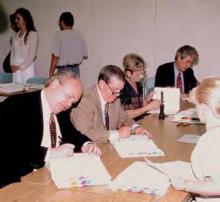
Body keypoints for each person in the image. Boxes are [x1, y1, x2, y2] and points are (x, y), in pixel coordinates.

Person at [0, 71, 101, 188]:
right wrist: (50, 153)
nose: (69, 104)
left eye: (73, 102)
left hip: (52, 175)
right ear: (55, 84)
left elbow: (70, 132)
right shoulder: (17, 105)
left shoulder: (60, 108)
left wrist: (86, 144)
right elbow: (13, 147)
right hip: (21, 180)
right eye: (69, 97)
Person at [70, 65, 149, 143]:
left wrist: (136, 128)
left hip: (109, 147)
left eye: (120, 91)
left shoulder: (114, 97)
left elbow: (124, 118)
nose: (118, 95)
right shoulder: (84, 101)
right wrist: (116, 134)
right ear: (102, 84)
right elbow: (84, 133)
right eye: (115, 90)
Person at [171, 77, 220, 201]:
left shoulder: (211, 139)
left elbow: (217, 185)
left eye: (196, 106)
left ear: (203, 109)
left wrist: (185, 185)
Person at [120, 53, 160, 121]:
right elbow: (126, 115)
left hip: (141, 121)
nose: (142, 76)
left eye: (143, 72)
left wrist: (148, 99)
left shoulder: (138, 83)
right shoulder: (121, 87)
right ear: (129, 73)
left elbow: (141, 106)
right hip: (129, 125)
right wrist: (149, 106)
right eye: (139, 74)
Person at [49, 12, 88, 77]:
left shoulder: (59, 35)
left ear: (62, 22)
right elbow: (85, 55)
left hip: (63, 70)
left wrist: (51, 72)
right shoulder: (79, 35)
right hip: (76, 70)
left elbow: (55, 56)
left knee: (64, 87)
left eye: (59, 22)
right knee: (74, 87)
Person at [10, 8, 38, 84]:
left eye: (18, 19)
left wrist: (19, 67)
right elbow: (12, 52)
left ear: (25, 19)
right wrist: (12, 65)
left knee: (26, 91)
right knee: (16, 91)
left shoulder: (33, 34)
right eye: (15, 19)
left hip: (27, 68)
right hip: (15, 68)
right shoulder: (14, 36)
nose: (15, 21)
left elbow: (32, 55)